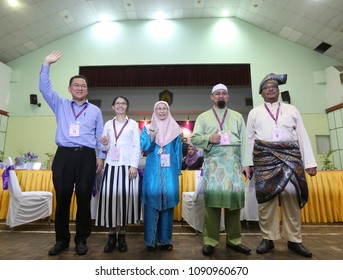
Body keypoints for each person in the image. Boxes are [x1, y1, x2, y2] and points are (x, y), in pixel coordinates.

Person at [39, 50, 105, 256]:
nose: (79, 88)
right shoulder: (60, 104)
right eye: (76, 85)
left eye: (83, 86)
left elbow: (100, 135)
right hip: (64, 155)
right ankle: (61, 240)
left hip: (86, 156)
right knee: (63, 198)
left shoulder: (94, 110)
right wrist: (46, 64)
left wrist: (101, 156)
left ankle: (82, 239)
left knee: (84, 198)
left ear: (87, 90)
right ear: (69, 88)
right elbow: (44, 88)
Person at [246, 73, 317, 258]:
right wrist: (247, 163)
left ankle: (294, 240)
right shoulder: (254, 112)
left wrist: (310, 162)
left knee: (292, 195)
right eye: (266, 87)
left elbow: (302, 135)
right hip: (264, 159)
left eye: (274, 87)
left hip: (291, 157)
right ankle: (268, 238)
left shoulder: (292, 110)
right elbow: (249, 139)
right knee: (265, 199)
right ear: (261, 93)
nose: (270, 89)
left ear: (278, 91)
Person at [190, 83, 253, 256]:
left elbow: (246, 142)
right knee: (212, 205)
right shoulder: (203, 117)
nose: (221, 96)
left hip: (233, 165)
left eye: (224, 93)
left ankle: (234, 240)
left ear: (228, 96)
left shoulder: (238, 116)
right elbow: (194, 138)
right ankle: (210, 240)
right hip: (214, 165)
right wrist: (208, 138)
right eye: (217, 93)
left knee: (234, 205)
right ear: (212, 97)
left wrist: (247, 163)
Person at [96, 96, 142, 253]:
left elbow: (137, 146)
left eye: (123, 103)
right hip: (111, 166)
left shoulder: (134, 124)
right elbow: (104, 147)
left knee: (125, 203)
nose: (120, 106)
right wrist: (104, 143)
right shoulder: (108, 124)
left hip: (127, 167)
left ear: (127, 107)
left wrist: (134, 166)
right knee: (109, 202)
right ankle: (111, 237)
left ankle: (122, 236)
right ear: (113, 106)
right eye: (118, 103)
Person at [140, 101, 182, 251]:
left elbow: (178, 151)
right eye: (159, 108)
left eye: (164, 108)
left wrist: (177, 170)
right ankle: (150, 241)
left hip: (169, 170)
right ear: (154, 110)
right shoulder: (147, 128)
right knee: (151, 204)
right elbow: (144, 148)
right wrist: (152, 137)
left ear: (168, 110)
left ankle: (165, 240)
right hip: (152, 171)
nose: (162, 111)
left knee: (168, 205)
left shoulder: (176, 129)